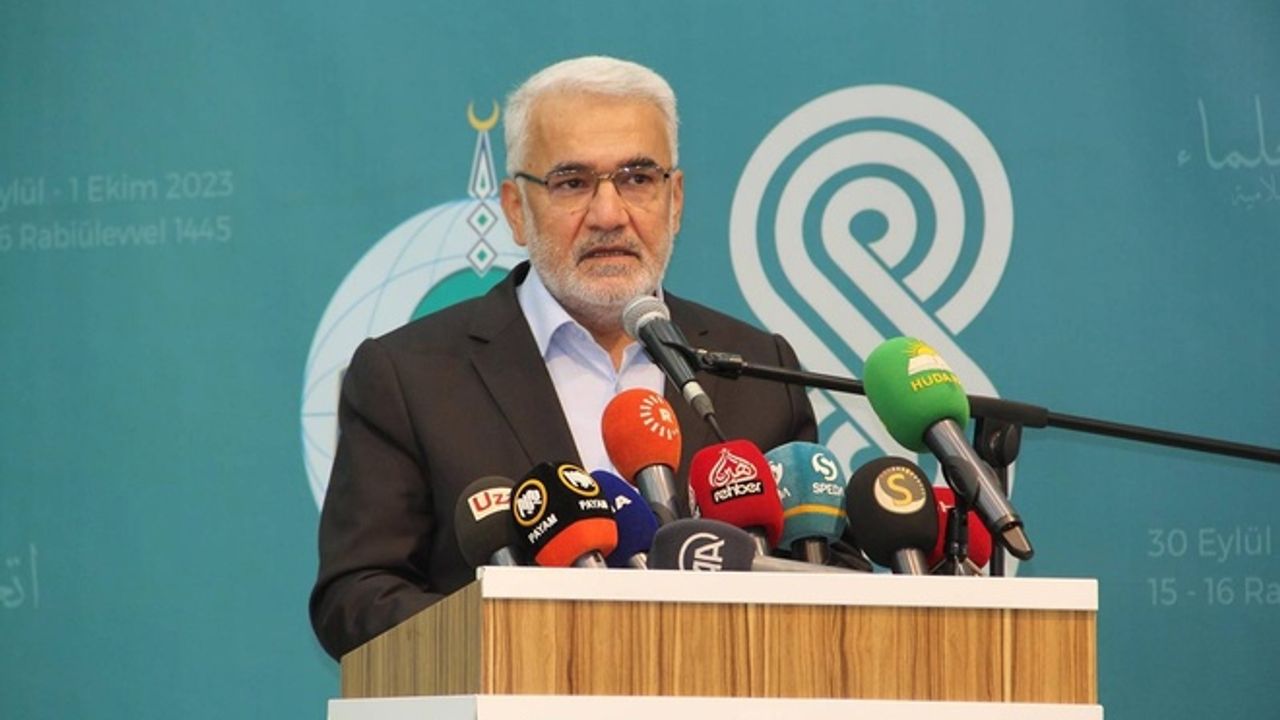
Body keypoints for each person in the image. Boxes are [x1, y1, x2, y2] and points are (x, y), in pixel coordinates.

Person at [309, 56, 818, 661]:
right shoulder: (409, 377)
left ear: (675, 199)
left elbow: (821, 564)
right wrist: (529, 643)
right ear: (516, 209)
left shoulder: (758, 370)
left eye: (637, 178)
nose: (608, 215)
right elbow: (356, 597)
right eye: (572, 183)